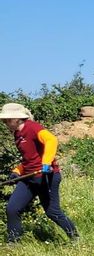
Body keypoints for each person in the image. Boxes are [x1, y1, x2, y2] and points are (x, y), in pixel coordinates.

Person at [3, 103, 79, 243]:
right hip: (30, 177)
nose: (5, 123)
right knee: (12, 208)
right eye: (4, 120)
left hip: (47, 176)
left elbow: (52, 140)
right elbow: (29, 159)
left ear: (18, 118)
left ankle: (75, 238)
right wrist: (17, 172)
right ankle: (13, 243)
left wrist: (46, 162)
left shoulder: (33, 127)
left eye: (8, 120)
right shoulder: (17, 134)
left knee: (52, 212)